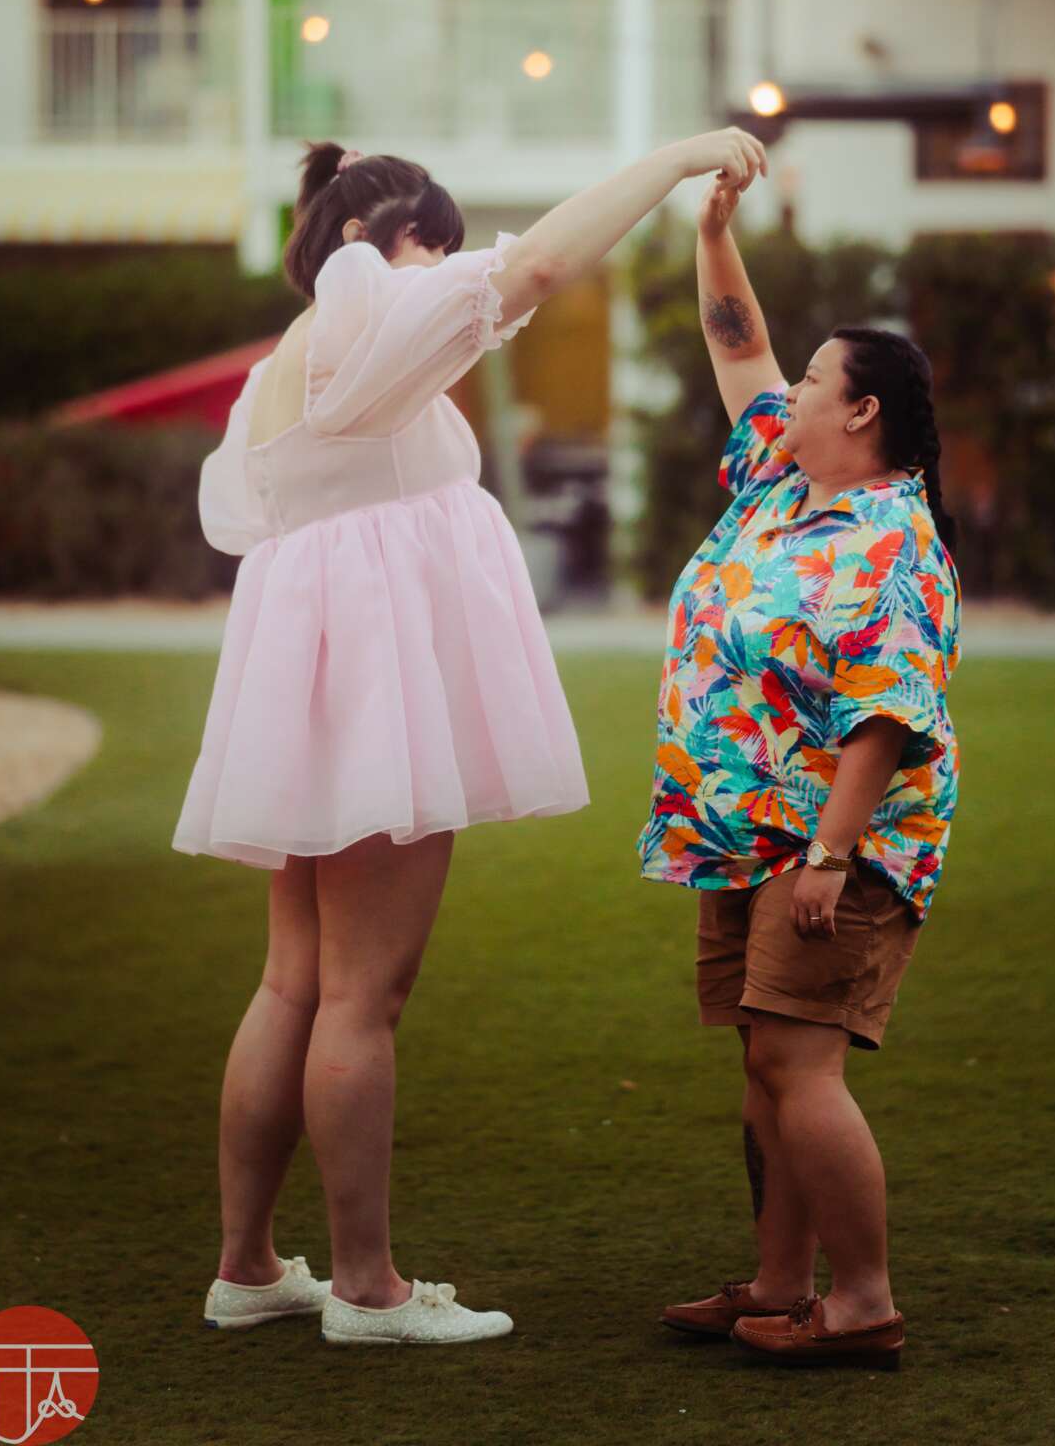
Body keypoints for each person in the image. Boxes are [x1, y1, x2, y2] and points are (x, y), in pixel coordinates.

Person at [172, 126, 767, 1348]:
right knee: (362, 992)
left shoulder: (298, 348)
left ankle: (248, 1267)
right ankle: (367, 1288)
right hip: (369, 675)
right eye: (428, 244)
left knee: (295, 979)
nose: (445, 269)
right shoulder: (367, 305)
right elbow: (536, 266)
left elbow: (252, 513)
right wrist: (673, 161)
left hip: (314, 664)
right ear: (364, 239)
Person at [638, 166, 961, 1371]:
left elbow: (885, 714)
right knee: (763, 1058)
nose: (790, 391)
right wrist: (712, 230)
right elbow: (738, 345)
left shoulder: (890, 540)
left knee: (797, 1061)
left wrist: (831, 852)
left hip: (834, 840)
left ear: (861, 411)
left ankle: (862, 1301)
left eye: (815, 380)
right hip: (742, 829)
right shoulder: (782, 480)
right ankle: (779, 1284)